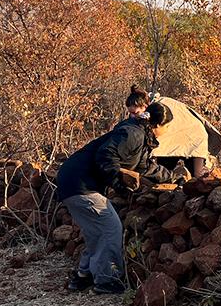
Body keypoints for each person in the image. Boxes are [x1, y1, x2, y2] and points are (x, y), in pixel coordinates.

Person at [56, 101, 185, 293]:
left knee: (96, 233)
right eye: (167, 126)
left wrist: (175, 177)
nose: (167, 130)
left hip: (71, 181)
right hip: (80, 184)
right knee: (111, 228)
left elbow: (145, 167)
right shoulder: (133, 134)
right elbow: (105, 156)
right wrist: (118, 184)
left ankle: (83, 276)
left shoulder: (138, 134)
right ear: (158, 125)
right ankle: (107, 281)